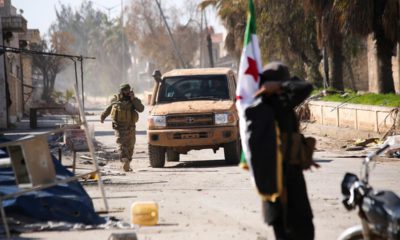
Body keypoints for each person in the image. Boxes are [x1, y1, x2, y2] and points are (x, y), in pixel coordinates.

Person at [245, 61, 319, 240]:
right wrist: (280, 86)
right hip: (283, 179)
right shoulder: (276, 103)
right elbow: (305, 87)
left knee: (290, 229)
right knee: (300, 229)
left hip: (277, 178)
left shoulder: (261, 104)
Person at [100, 83, 144, 172]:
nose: (127, 92)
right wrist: (103, 116)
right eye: (125, 91)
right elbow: (109, 109)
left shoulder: (133, 100)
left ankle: (128, 161)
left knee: (130, 145)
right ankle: (124, 161)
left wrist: (133, 99)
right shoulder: (116, 100)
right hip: (119, 128)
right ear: (121, 91)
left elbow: (141, 109)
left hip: (130, 127)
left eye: (128, 90)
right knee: (121, 144)